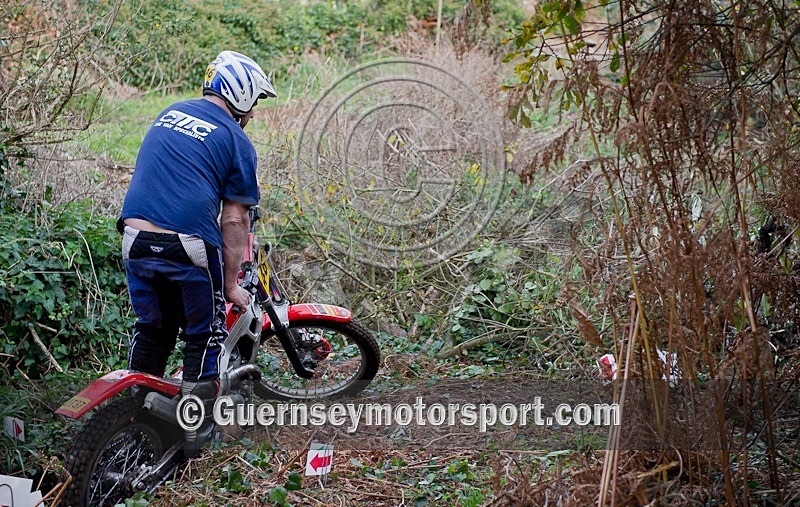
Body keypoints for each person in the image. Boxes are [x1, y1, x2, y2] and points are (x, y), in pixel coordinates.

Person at [117, 50, 276, 455]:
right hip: (189, 244)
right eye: (254, 101)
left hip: (134, 236)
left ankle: (132, 418)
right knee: (204, 334)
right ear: (240, 94)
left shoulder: (169, 113)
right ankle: (193, 439)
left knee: (153, 327)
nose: (253, 113)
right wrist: (230, 285)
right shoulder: (237, 140)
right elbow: (235, 220)